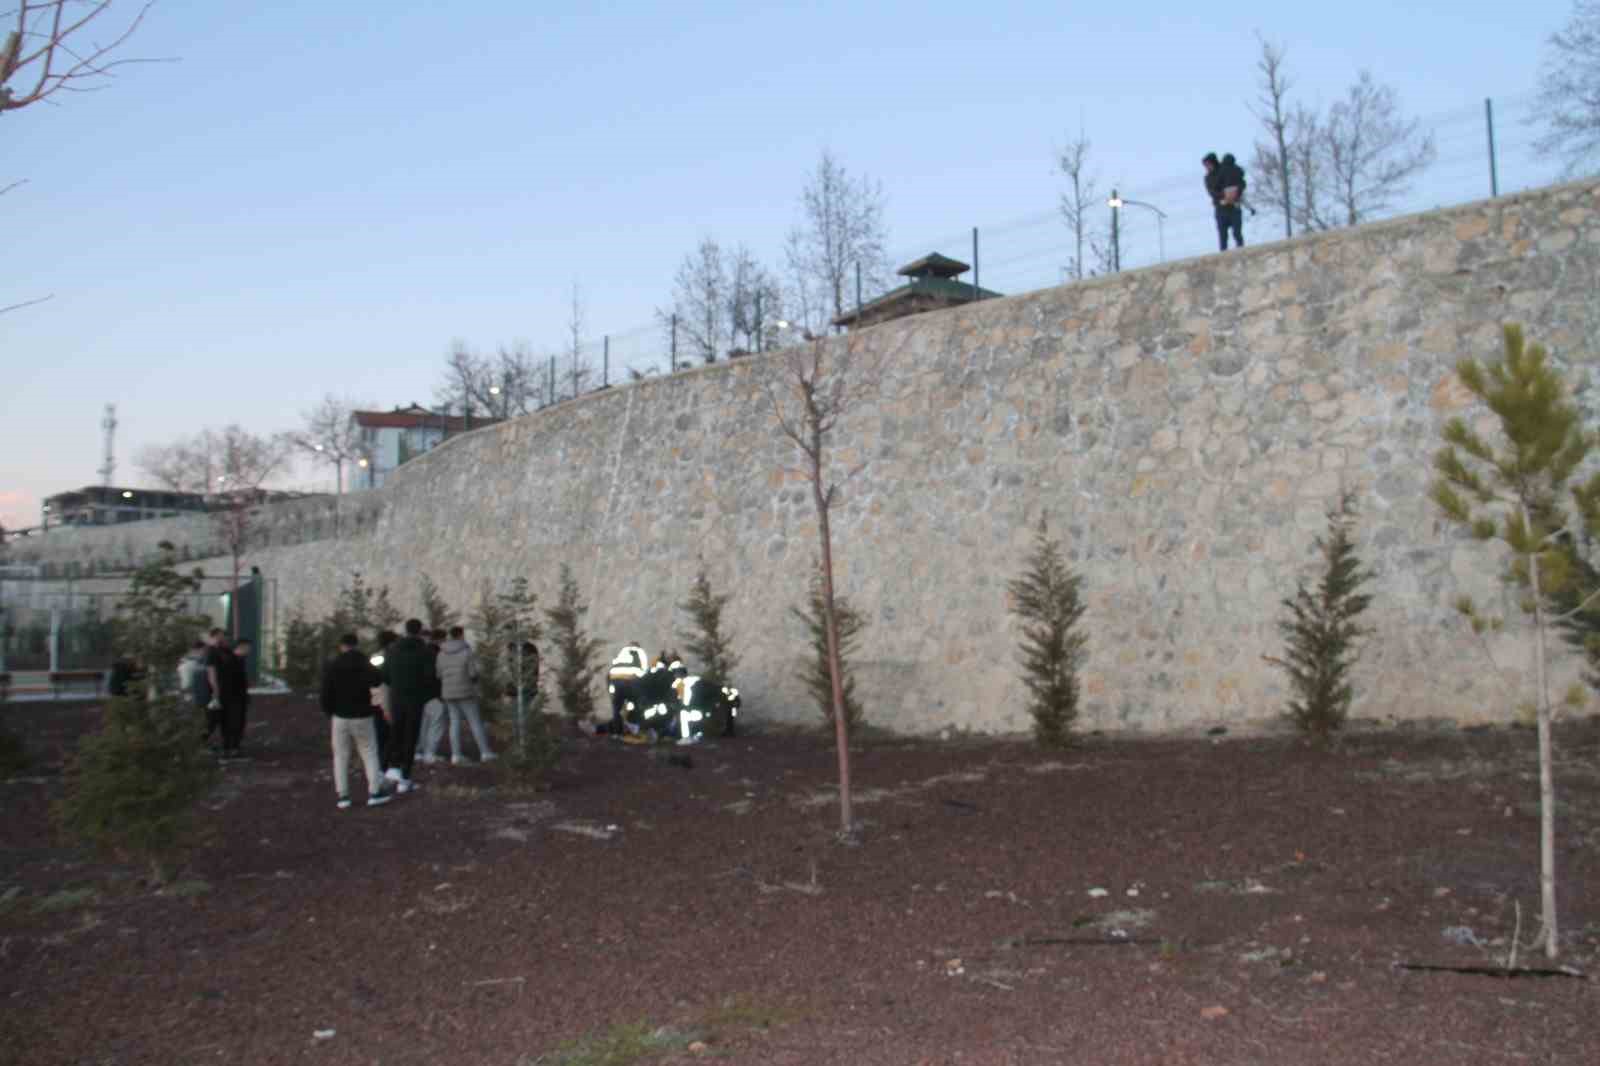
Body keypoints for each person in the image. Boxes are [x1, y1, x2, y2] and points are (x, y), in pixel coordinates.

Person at [320, 633, 392, 809]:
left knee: (340, 756)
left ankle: (343, 796)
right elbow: (378, 680)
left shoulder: (333, 664)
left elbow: (325, 692)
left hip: (340, 716)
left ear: (341, 646)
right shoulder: (363, 662)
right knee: (369, 753)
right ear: (356, 644)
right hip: (362, 715)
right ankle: (374, 792)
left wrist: (330, 712)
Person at [379, 619, 435, 793]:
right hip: (415, 700)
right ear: (420, 631)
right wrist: (425, 696)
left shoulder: (393, 650)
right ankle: (405, 777)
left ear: (406, 630)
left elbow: (385, 675)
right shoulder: (425, 651)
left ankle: (391, 770)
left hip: (397, 698)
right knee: (411, 736)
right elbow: (430, 678)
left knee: (396, 732)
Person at [429, 625, 497, 764]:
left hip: (448, 692)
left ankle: (456, 755)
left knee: (454, 722)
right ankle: (485, 752)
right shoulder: (467, 651)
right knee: (474, 721)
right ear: (461, 635)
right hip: (466, 691)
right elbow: (473, 673)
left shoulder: (441, 653)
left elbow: (438, 674)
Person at [216, 637, 253, 759]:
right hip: (233, 698)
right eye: (248, 647)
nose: (249, 650)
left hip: (232, 698)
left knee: (231, 723)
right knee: (234, 723)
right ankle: (232, 749)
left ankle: (230, 748)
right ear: (242, 647)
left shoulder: (234, 660)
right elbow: (231, 681)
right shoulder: (233, 661)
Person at [1202, 151, 1246, 251]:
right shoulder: (1208, 178)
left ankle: (1242, 254)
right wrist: (1224, 195)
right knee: (1223, 236)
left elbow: (1241, 182)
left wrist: (1236, 192)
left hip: (1234, 206)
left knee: (1237, 233)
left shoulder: (1228, 169)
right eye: (1205, 165)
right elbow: (1212, 192)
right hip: (1221, 208)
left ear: (1213, 162)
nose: (1207, 167)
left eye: (1208, 164)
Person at [416, 628, 447, 765]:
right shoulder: (436, 653)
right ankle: (430, 753)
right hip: (433, 694)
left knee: (422, 724)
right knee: (437, 722)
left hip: (418, 695)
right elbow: (437, 675)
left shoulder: (416, 652)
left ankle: (419, 751)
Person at [606, 640, 649, 735]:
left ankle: (617, 732)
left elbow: (611, 670)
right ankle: (637, 729)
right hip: (630, 681)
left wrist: (611, 690)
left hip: (615, 680)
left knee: (617, 708)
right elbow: (644, 671)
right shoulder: (640, 652)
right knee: (638, 704)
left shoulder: (622, 652)